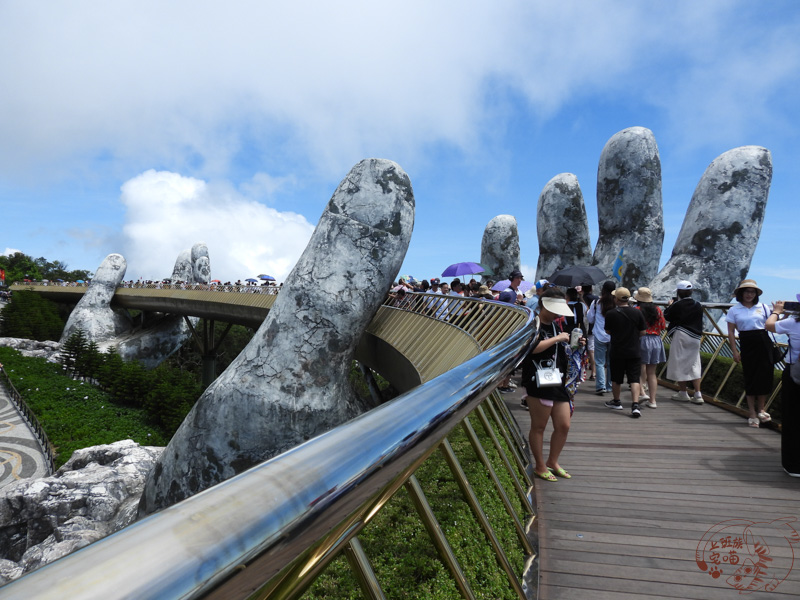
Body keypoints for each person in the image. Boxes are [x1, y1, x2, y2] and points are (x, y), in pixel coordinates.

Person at [520, 288, 580, 481]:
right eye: (555, 309)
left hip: (556, 379)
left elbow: (559, 351)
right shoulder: (532, 323)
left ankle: (553, 461)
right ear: (544, 305)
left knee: (564, 425)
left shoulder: (555, 326)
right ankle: (539, 465)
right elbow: (530, 349)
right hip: (537, 380)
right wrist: (558, 338)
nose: (557, 314)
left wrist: (575, 344)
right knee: (539, 426)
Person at [726, 279, 773, 428]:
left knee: (765, 375)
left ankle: (761, 409)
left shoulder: (763, 307)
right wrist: (734, 350)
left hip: (763, 342)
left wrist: (781, 313)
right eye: (746, 291)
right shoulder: (734, 310)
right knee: (750, 377)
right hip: (747, 343)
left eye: (752, 292)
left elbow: (773, 324)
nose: (749, 294)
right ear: (741, 293)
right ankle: (752, 412)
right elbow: (731, 332)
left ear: (756, 294)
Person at [766, 295, 800, 477]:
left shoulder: (793, 323)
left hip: (795, 373)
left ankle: (794, 465)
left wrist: (777, 312)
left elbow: (769, 325)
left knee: (793, 417)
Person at [603, 287, 647, 417]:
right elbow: (643, 332)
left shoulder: (611, 313)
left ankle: (617, 402)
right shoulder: (637, 313)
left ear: (616, 299)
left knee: (616, 378)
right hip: (634, 350)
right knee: (634, 379)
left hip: (617, 350)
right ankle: (635, 405)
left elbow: (607, 331)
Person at [663, 280, 704, 405]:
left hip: (682, 335)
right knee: (694, 364)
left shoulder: (678, 305)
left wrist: (670, 305)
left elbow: (668, 316)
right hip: (696, 337)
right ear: (691, 292)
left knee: (680, 362)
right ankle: (698, 394)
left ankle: (683, 392)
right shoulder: (698, 305)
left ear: (679, 292)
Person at [633, 287, 666, 408]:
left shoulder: (636, 310)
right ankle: (653, 401)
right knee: (652, 373)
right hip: (656, 341)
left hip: (641, 340)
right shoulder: (657, 310)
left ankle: (641, 393)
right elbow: (662, 326)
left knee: (638, 369)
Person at [497, 270, 525, 393]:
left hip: (513, 327)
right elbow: (501, 310)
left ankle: (504, 384)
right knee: (507, 357)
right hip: (507, 328)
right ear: (513, 278)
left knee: (511, 357)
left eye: (520, 278)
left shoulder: (514, 293)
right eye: (518, 278)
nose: (520, 280)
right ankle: (501, 384)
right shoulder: (507, 293)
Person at [587, 281, 615, 396]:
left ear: (603, 289)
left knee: (599, 362)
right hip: (613, 336)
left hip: (599, 335)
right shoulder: (616, 302)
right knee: (610, 362)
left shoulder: (596, 302)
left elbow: (590, 319)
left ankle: (600, 386)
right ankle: (609, 386)